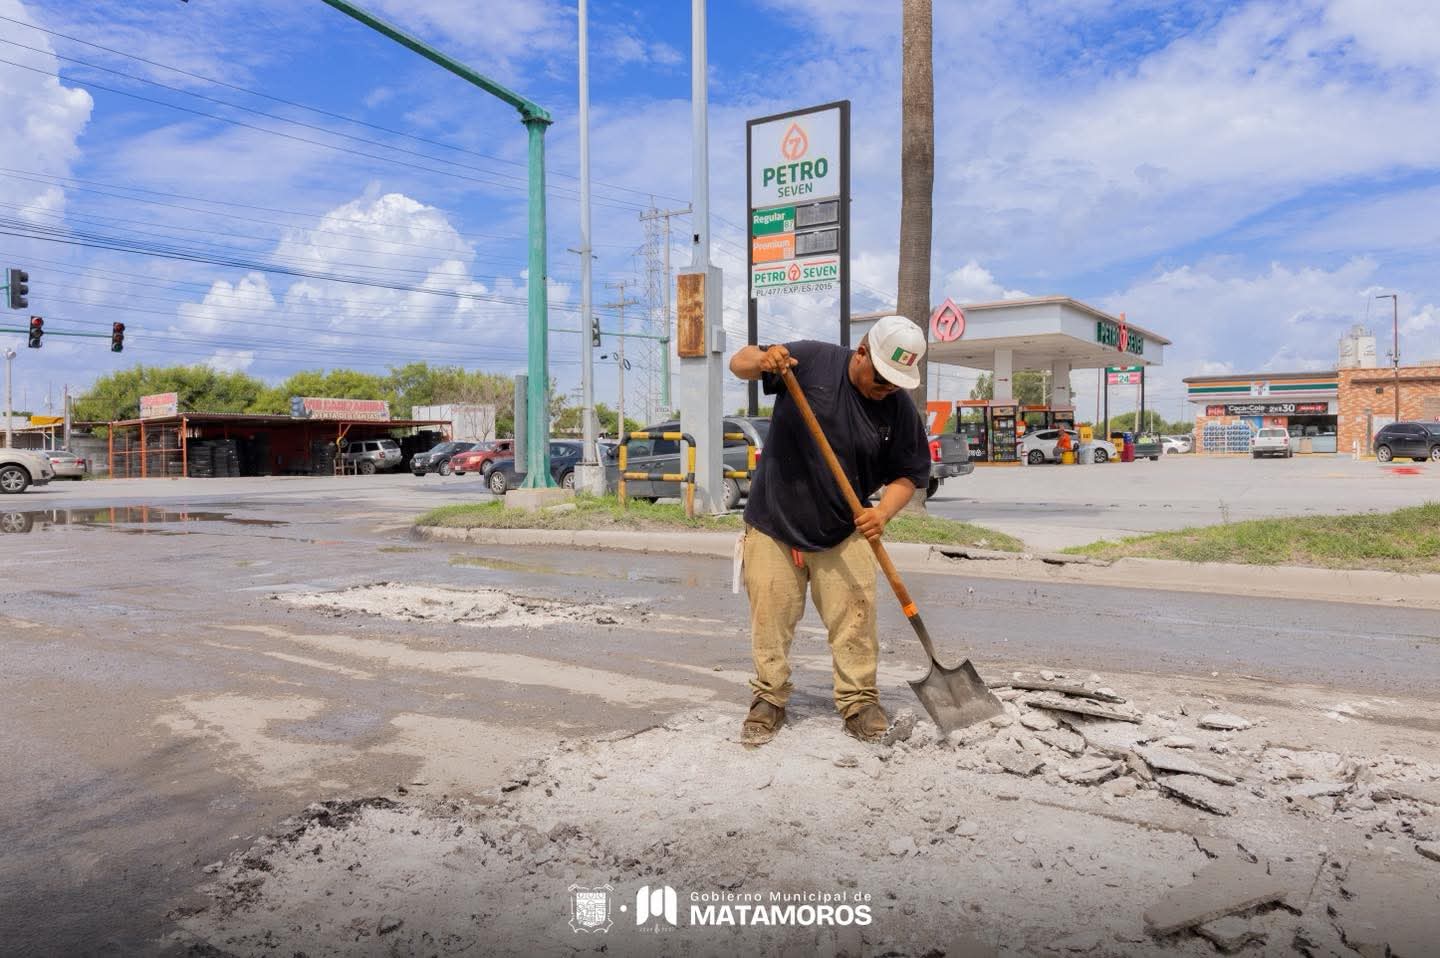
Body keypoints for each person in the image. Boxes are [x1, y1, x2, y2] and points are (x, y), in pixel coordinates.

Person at [728, 315, 932, 746]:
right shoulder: (812, 360)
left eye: (896, 383)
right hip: (773, 521)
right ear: (861, 352)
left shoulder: (898, 410)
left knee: (855, 619)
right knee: (771, 618)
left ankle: (859, 702)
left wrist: (884, 514)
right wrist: (766, 360)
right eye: (881, 379)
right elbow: (739, 362)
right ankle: (769, 698)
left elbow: (909, 473)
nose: (886, 389)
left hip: (844, 526)